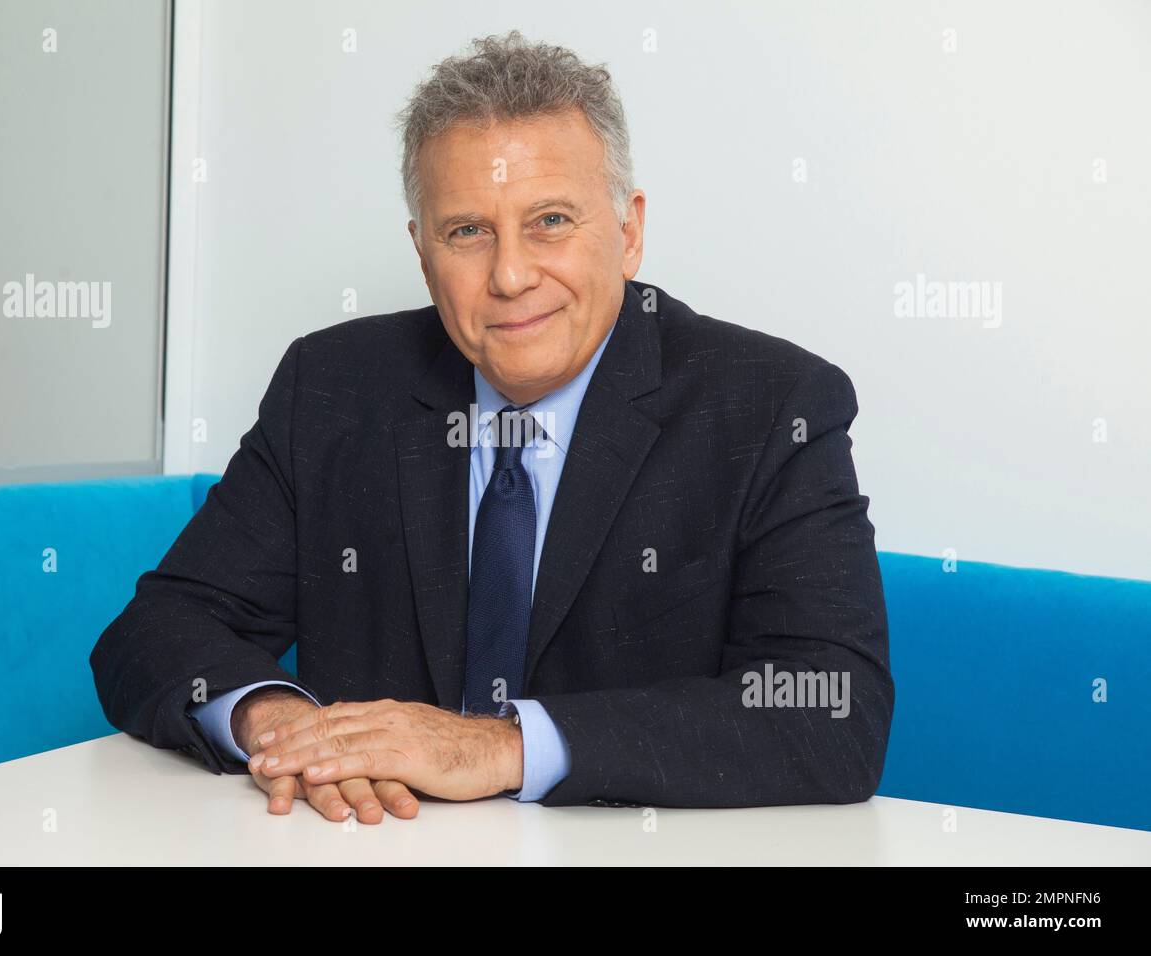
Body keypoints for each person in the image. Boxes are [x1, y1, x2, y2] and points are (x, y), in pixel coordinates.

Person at [91, 30, 893, 824]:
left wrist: (494, 748)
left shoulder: (770, 406)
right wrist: (283, 724)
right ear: (421, 251)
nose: (510, 276)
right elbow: (154, 633)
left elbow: (833, 710)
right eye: (468, 231)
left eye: (549, 220)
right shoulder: (333, 388)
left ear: (629, 232)